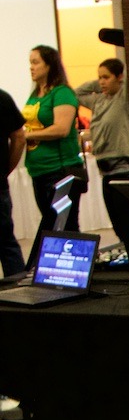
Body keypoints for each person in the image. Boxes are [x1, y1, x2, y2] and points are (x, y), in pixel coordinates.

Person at [75, 57, 129, 267]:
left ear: (119, 77)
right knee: (117, 224)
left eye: (106, 77)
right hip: (105, 171)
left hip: (123, 169)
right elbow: (76, 94)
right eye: (99, 78)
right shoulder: (99, 101)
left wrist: (118, 82)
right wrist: (99, 84)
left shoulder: (123, 98)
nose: (102, 82)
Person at [22, 45, 86, 235]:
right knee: (51, 226)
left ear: (49, 65)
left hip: (60, 169)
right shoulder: (35, 95)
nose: (31, 67)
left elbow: (61, 129)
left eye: (35, 62)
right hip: (38, 170)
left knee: (65, 226)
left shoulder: (62, 93)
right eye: (30, 63)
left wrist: (27, 136)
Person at [0, 86, 26, 276]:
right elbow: (19, 137)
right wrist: (5, 170)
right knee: (6, 243)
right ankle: (18, 287)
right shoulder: (2, 98)